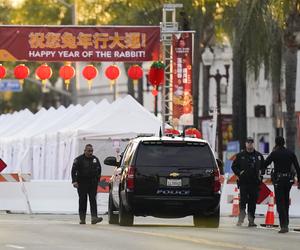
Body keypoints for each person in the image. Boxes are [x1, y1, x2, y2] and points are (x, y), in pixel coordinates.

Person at [264, 136, 300, 233]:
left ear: (276, 143)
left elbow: (265, 164)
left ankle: (283, 225)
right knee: (285, 201)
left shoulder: (274, 153)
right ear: (284, 143)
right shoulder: (290, 153)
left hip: (279, 181)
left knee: (280, 203)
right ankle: (286, 222)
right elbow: (297, 167)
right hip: (288, 180)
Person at [231, 136, 265, 227]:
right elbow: (233, 166)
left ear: (254, 144)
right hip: (244, 183)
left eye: (251, 142)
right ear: (245, 144)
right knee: (243, 201)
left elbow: (263, 167)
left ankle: (251, 220)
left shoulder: (258, 156)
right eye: (248, 142)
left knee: (252, 202)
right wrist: (239, 173)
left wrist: (261, 175)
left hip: (254, 183)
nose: (250, 144)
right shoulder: (240, 155)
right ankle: (241, 219)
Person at [71, 144, 103, 225]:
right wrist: (74, 181)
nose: (90, 152)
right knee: (83, 200)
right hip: (82, 183)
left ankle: (94, 217)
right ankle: (82, 219)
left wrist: (97, 180)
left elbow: (99, 170)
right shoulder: (78, 160)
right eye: (88, 151)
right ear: (84, 151)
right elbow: (73, 171)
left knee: (93, 200)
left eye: (91, 151)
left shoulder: (95, 159)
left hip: (92, 183)